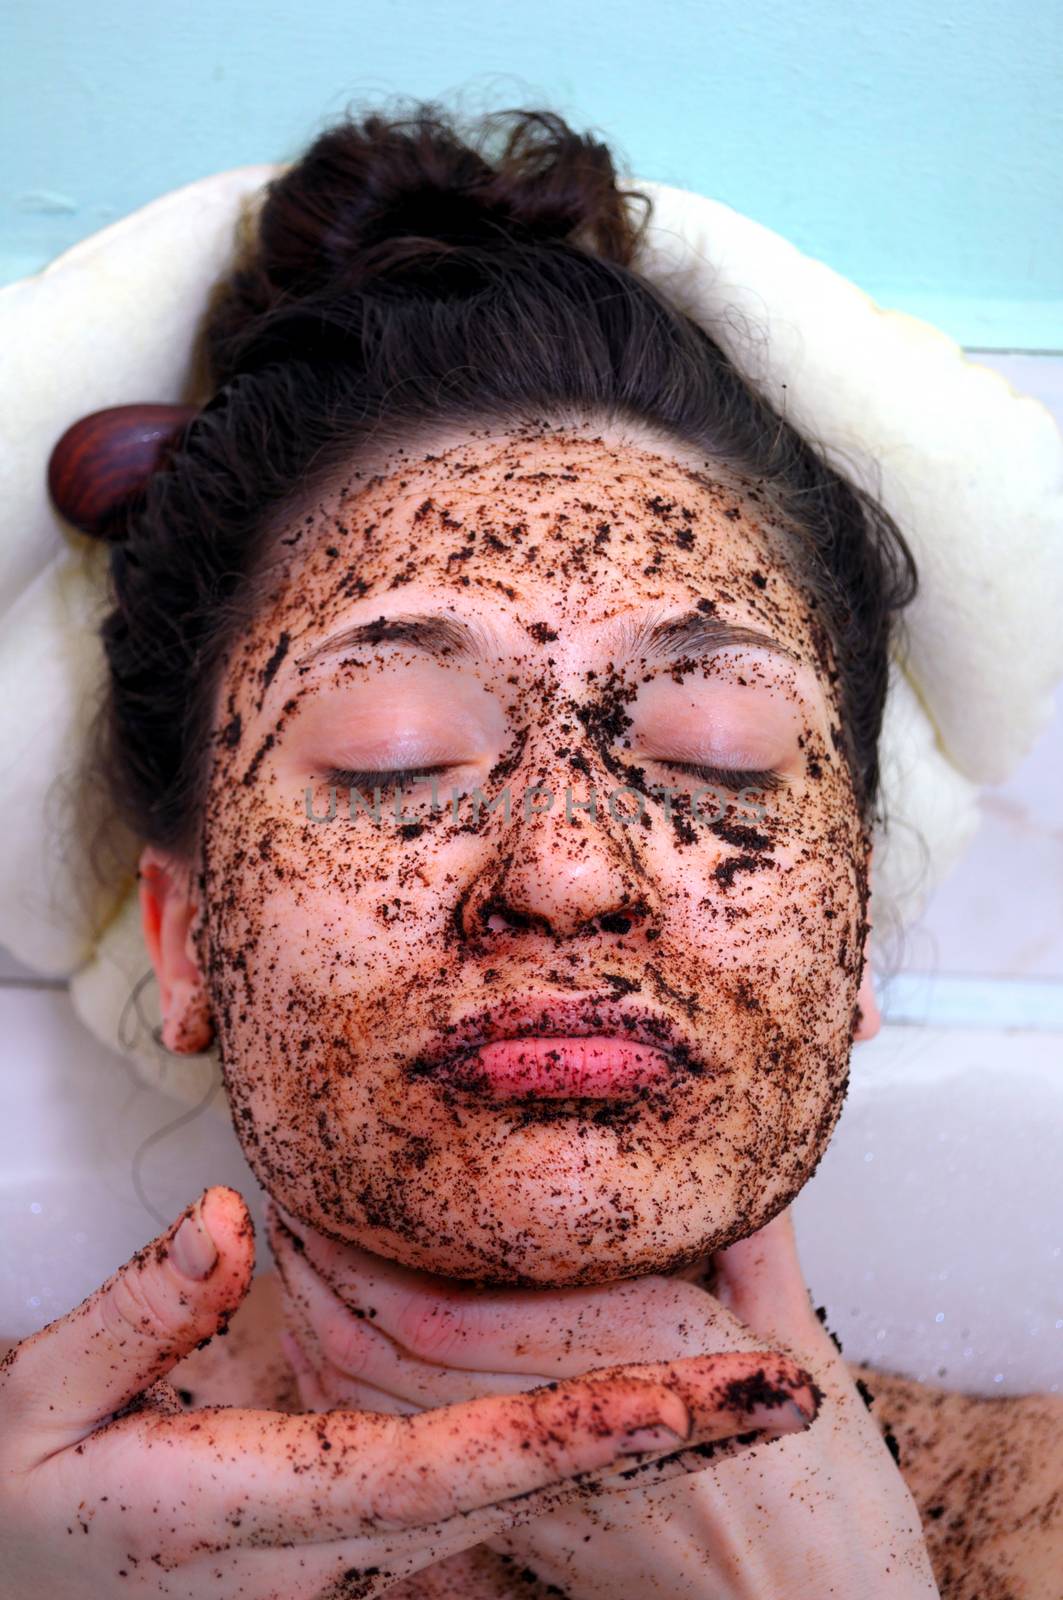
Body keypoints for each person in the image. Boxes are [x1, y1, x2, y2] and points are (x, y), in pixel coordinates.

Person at [1, 103, 1059, 1599]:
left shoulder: (1028, 1507)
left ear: (855, 938)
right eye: (398, 761)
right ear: (188, 946)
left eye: (717, 764)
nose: (567, 872)